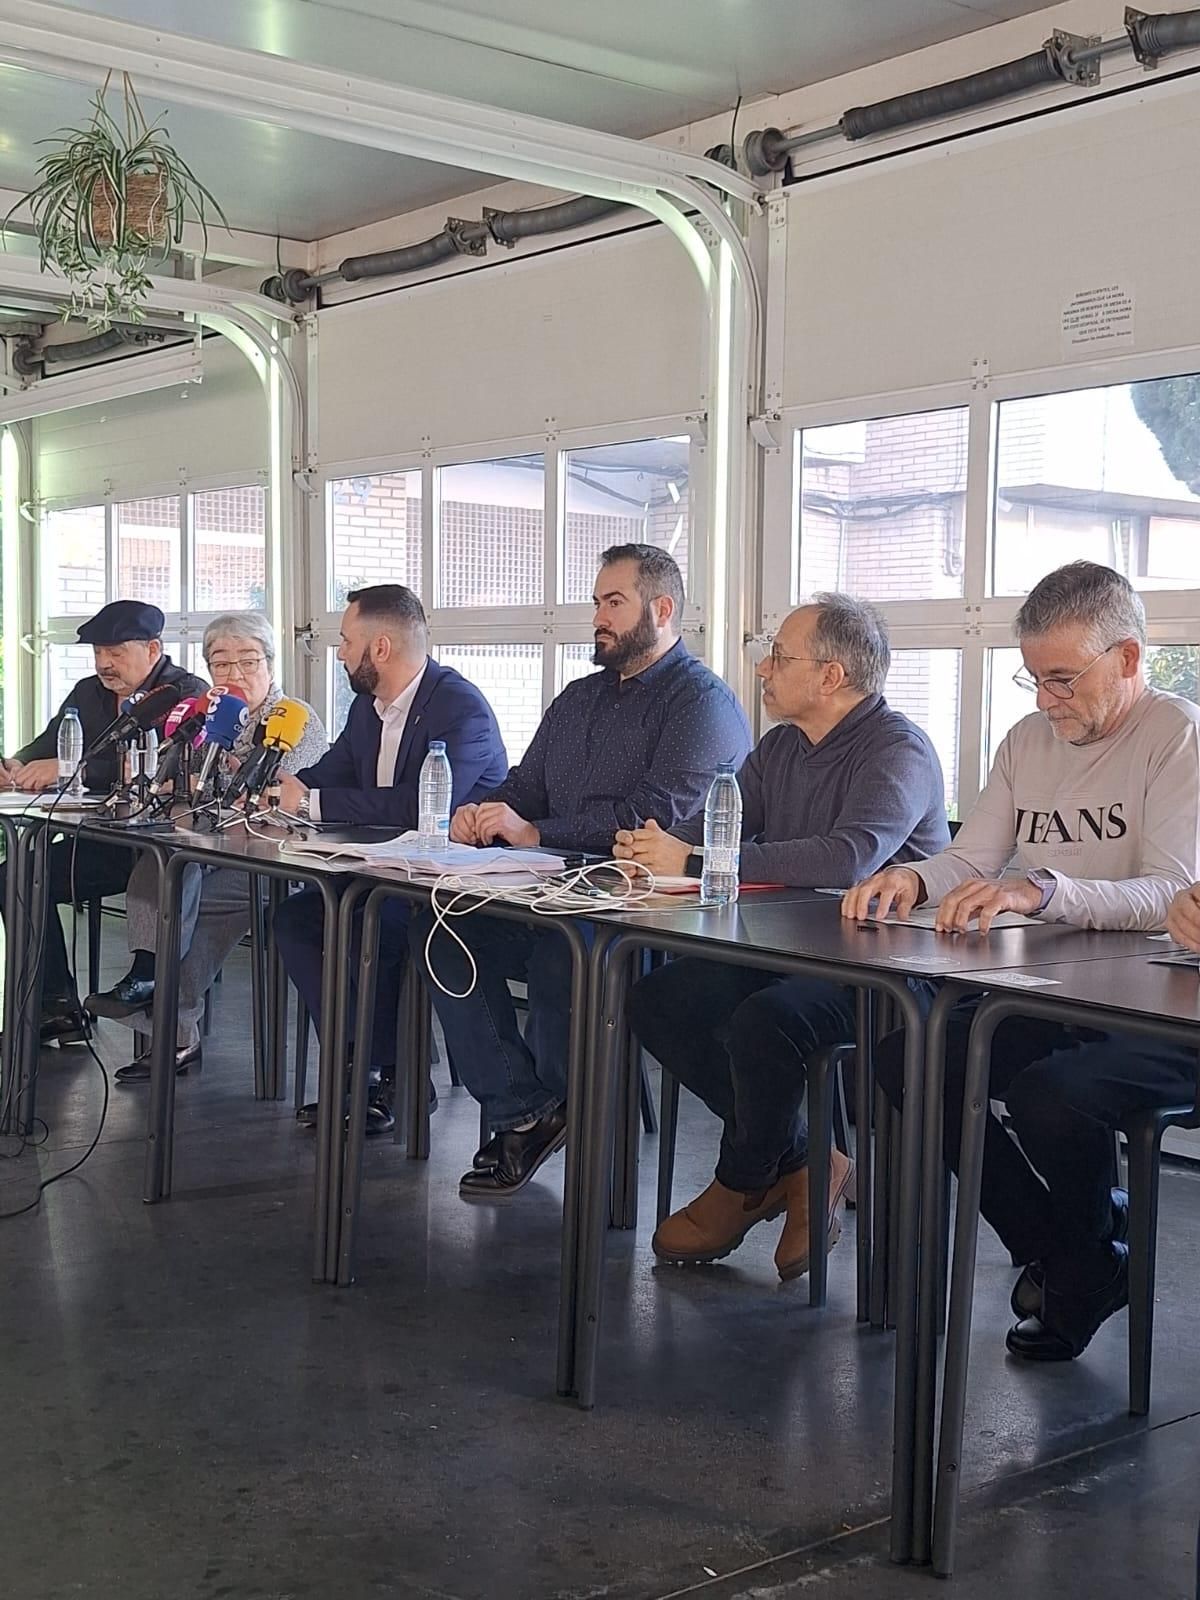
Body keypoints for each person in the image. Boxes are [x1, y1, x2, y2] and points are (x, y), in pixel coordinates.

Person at [844, 561, 1200, 1362]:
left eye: (1063, 679)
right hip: (1046, 989)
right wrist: (913, 878)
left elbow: (1170, 894)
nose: (1046, 700)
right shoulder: (1027, 741)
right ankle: (1071, 1254)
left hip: (1149, 1005)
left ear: (1129, 658)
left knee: (1049, 1095)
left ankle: (1075, 1267)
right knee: (907, 1062)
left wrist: (1042, 890)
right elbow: (971, 859)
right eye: (1034, 678)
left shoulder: (1176, 734)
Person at [620, 594, 949, 1278]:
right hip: (787, 948)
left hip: (881, 967)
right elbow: (711, 831)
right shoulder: (780, 747)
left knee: (764, 1023)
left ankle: (743, 1181)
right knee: (658, 999)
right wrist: (651, 852)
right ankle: (805, 1159)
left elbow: (848, 858)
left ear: (831, 676)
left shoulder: (899, 750)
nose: (762, 668)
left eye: (777, 656)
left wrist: (693, 861)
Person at [411, 543, 752, 1199]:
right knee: (442, 927)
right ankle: (526, 1111)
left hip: (645, 914)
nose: (598, 617)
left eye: (614, 603)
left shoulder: (701, 704)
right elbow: (526, 786)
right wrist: (484, 812)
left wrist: (538, 832)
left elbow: (652, 819)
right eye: (597, 602)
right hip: (548, 893)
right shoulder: (578, 698)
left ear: (662, 609)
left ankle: (580, 1131)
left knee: (562, 956)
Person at [272, 584, 507, 1135]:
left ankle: (389, 1075)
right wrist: (275, 791)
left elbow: (420, 808)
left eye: (345, 641)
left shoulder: (460, 707)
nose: (338, 653)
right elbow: (328, 774)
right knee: (297, 918)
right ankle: (358, 1063)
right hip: (379, 871)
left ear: (380, 648)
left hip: (448, 884)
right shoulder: (366, 707)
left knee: (379, 926)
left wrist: (309, 802)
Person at [83, 613, 329, 1081]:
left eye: (248, 662)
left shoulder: (294, 719)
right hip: (210, 849)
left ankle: (171, 1029)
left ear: (270, 665)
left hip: (275, 862)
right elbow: (186, 790)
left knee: (200, 909)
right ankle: (146, 972)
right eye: (221, 664)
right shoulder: (204, 715)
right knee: (161, 862)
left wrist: (233, 780)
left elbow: (289, 801)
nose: (235, 674)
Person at [0, 600, 207, 1045]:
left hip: (157, 852)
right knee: (16, 874)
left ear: (153, 649)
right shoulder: (87, 692)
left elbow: (165, 770)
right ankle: (57, 1005)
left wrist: (70, 769)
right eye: (97, 653)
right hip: (102, 841)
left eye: (115, 652)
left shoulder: (185, 694)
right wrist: (16, 764)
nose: (103, 664)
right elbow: (51, 741)